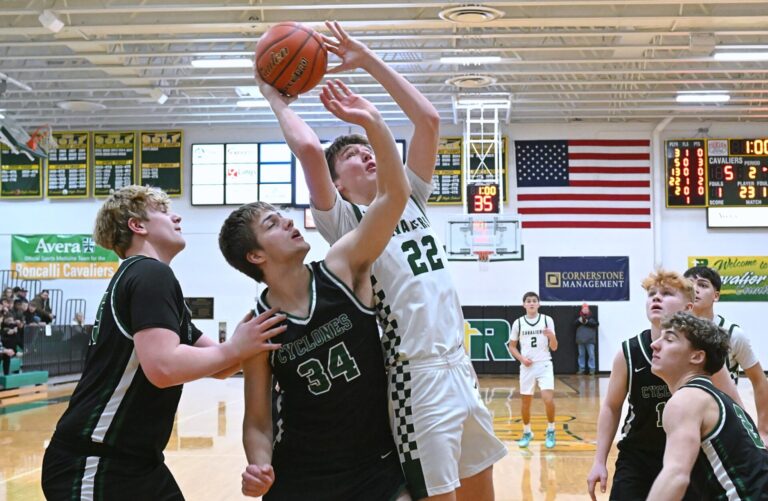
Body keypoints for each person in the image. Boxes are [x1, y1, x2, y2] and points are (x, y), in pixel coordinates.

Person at [254, 20, 506, 500]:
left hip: (459, 365)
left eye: (370, 149)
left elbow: (427, 120)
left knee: (483, 490)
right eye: (352, 154)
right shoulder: (344, 222)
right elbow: (308, 148)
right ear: (338, 183)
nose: (367, 155)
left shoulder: (409, 198)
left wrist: (367, 60)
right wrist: (275, 99)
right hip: (415, 378)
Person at [220, 79, 408, 500]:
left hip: (374, 467)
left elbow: (395, 196)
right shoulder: (258, 327)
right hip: (300, 477)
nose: (288, 221)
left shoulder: (342, 267)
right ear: (255, 256)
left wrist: (373, 122)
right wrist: (258, 462)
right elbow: (258, 421)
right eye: (272, 224)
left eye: (283, 215)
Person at [41, 185, 286, 501]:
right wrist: (236, 347)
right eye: (163, 210)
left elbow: (222, 365)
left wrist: (269, 311)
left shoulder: (147, 280)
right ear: (137, 225)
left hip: (134, 463)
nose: (177, 215)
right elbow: (163, 367)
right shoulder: (149, 274)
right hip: (95, 464)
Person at [586, 269, 743, 501]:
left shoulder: (701, 354)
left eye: (667, 293)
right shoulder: (629, 352)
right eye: (651, 294)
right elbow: (611, 406)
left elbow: (734, 407)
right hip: (638, 456)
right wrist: (599, 461)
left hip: (690, 456)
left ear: (689, 308)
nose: (656, 298)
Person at [647, 311, 768, 499]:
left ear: (696, 357)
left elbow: (676, 476)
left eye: (669, 340)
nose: (654, 344)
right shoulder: (717, 399)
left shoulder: (688, 399)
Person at [684, 265, 768, 443]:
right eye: (690, 284)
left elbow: (760, 381)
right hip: (684, 420)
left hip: (724, 421)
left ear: (716, 295)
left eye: (703, 285)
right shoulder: (672, 333)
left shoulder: (733, 334)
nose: (695, 289)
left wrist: (764, 430)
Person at [508, 291, 558, 449]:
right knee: (526, 403)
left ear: (538, 304)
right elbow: (512, 346)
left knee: (547, 398)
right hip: (527, 366)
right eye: (528, 301)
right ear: (524, 304)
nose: (531, 303)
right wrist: (522, 359)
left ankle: (551, 430)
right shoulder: (518, 323)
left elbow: (555, 347)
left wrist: (552, 337)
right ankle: (527, 432)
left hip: (544, 364)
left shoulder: (546, 320)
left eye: (534, 301)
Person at [575, 303, 598, 375]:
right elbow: (574, 324)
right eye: (583, 308)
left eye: (586, 308)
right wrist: (580, 321)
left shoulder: (592, 317)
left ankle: (592, 370)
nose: (585, 310)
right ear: (582, 309)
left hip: (590, 340)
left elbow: (596, 324)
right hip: (580, 340)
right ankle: (581, 369)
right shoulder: (579, 317)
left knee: (591, 355)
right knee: (581, 355)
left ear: (588, 309)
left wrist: (587, 322)